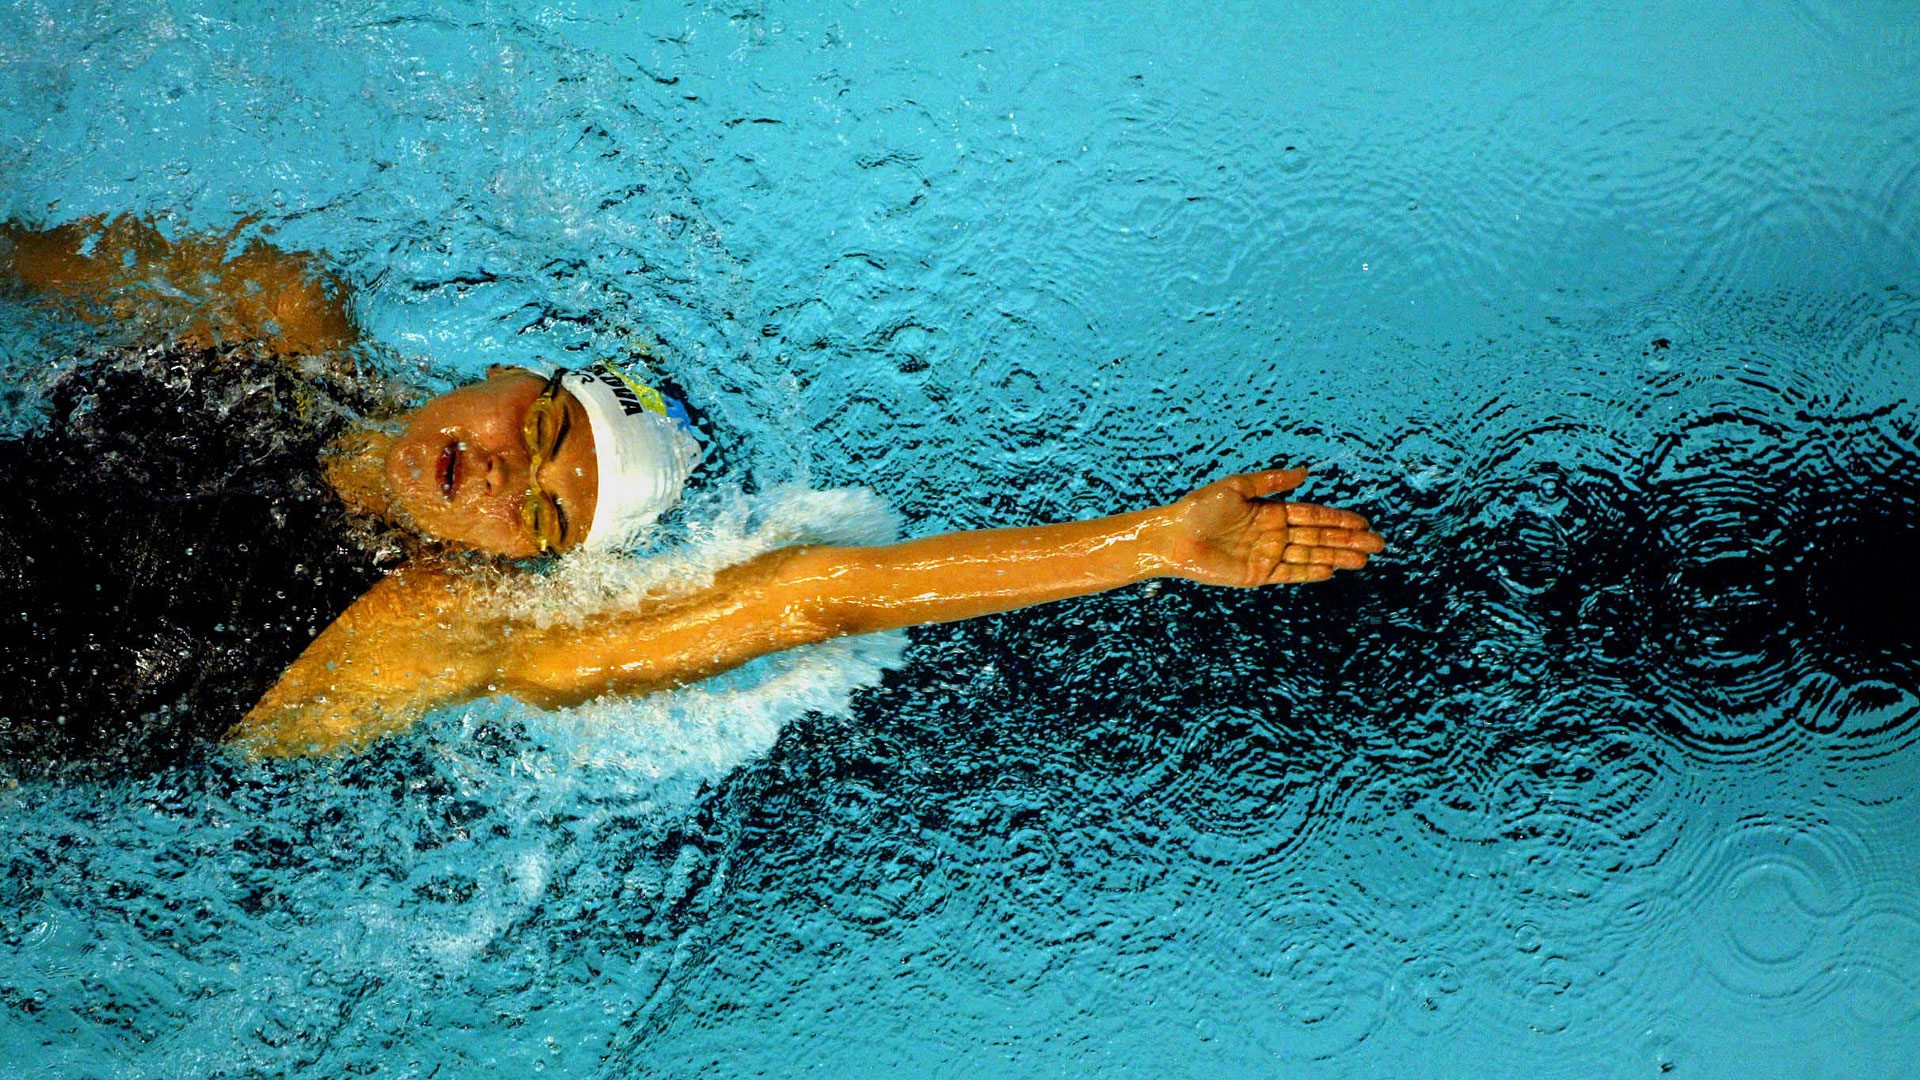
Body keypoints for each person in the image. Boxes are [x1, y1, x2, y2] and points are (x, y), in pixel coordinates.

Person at [0, 216, 1385, 769]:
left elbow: (811, 598)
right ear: (502, 369)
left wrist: (1145, 543)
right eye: (536, 426)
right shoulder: (276, 314)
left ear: (533, 566)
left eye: (537, 517)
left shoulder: (433, 620)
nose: (496, 474)